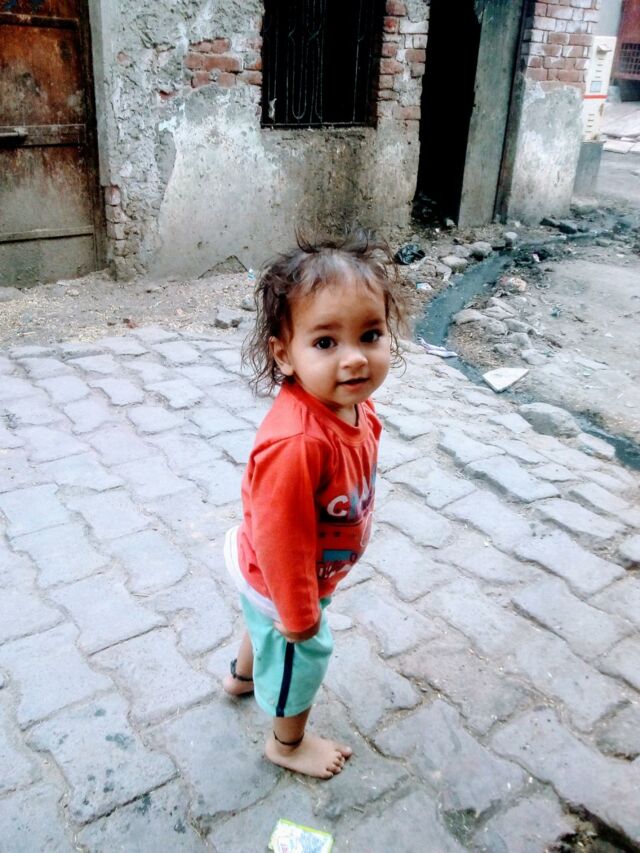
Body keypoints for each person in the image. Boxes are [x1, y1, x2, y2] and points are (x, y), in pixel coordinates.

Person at [222, 230, 405, 779]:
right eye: (325, 343)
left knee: (262, 625)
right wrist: (300, 616)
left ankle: (242, 677)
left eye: (370, 335)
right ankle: (286, 743)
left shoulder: (355, 407)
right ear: (284, 354)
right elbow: (281, 540)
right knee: (300, 657)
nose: (354, 359)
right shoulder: (297, 443)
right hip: (284, 578)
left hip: (294, 573)